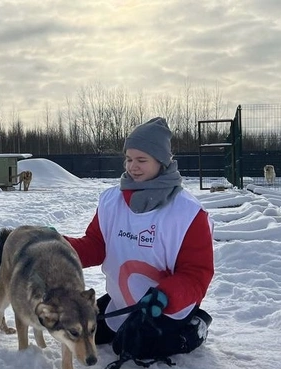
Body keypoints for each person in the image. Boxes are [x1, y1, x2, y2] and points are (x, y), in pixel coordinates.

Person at [64, 117, 214, 367]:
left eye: (141, 160)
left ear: (161, 162)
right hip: (123, 300)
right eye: (129, 159)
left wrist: (166, 295)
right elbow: (95, 245)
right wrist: (57, 246)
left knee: (131, 346)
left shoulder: (188, 213)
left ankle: (194, 327)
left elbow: (197, 274)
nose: (132, 167)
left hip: (165, 304)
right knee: (87, 330)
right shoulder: (112, 201)